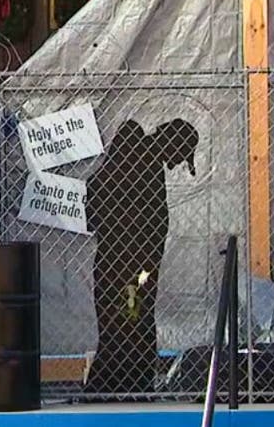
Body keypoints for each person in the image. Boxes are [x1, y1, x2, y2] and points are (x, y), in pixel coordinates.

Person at [83, 118, 198, 397]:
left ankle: (118, 385)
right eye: (181, 156)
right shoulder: (144, 163)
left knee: (123, 322)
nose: (177, 164)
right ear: (174, 146)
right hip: (131, 271)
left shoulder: (137, 158)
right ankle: (124, 384)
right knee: (131, 320)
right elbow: (143, 226)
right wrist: (143, 272)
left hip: (122, 266)